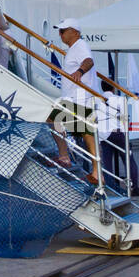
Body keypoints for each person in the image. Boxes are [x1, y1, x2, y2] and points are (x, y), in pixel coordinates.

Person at [48, 19, 101, 185]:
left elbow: (88, 61)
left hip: (80, 99)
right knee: (86, 133)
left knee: (53, 118)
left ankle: (68, 158)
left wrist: (79, 71)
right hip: (76, 99)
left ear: (75, 32)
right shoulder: (74, 48)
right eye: (60, 31)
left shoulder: (80, 45)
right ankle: (95, 170)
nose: (60, 34)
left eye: (63, 31)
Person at [100, 91, 139, 196]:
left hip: (103, 134)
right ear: (113, 88)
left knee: (107, 164)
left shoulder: (97, 99)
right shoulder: (119, 99)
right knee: (129, 161)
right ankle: (134, 187)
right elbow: (124, 119)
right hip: (117, 132)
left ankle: (110, 188)